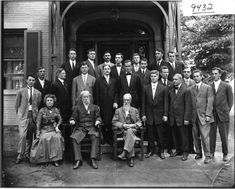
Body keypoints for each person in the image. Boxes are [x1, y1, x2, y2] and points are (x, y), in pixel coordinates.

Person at [69, 91, 102, 169]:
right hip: (81, 128)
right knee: (74, 138)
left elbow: (98, 117)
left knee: (95, 137)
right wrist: (72, 120)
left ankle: (93, 158)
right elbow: (73, 117)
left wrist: (98, 121)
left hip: (91, 128)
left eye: (87, 97)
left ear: (90, 98)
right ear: (81, 98)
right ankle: (78, 159)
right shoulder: (77, 107)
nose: (86, 98)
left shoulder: (95, 107)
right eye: (84, 97)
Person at [30, 94, 64, 166]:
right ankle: (45, 159)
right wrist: (38, 133)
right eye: (48, 100)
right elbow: (38, 123)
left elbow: (60, 119)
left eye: (51, 100)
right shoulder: (42, 110)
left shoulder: (56, 109)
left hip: (53, 128)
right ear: (45, 101)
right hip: (44, 129)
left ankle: (55, 159)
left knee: (57, 137)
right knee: (44, 138)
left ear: (53, 101)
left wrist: (57, 126)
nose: (49, 102)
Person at [15, 74, 41, 164]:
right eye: (29, 80)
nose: (31, 81)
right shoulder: (21, 91)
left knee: (30, 135)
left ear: (35, 81)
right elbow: (17, 105)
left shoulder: (38, 93)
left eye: (33, 80)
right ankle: (20, 154)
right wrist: (19, 115)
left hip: (33, 116)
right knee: (22, 135)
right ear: (26, 81)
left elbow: (38, 104)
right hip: (23, 116)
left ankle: (28, 153)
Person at [189, 69, 214, 164]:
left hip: (204, 116)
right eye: (194, 76)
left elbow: (210, 102)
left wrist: (208, 115)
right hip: (194, 116)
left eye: (197, 76)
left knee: (205, 137)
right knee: (195, 136)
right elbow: (190, 103)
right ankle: (198, 152)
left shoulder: (207, 88)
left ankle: (207, 155)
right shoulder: (191, 89)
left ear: (201, 76)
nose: (196, 78)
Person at [142, 70, 168, 159]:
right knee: (150, 134)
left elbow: (166, 102)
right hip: (149, 114)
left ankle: (161, 151)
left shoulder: (163, 88)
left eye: (155, 76)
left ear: (158, 77)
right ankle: (150, 150)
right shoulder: (145, 87)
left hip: (159, 114)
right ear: (150, 77)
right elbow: (143, 103)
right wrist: (143, 114)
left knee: (160, 134)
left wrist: (165, 114)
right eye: (152, 76)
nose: (153, 78)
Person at [112, 93, 142, 167]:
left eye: (127, 100)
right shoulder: (118, 110)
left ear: (130, 101)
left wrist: (133, 125)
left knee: (130, 131)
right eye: (124, 100)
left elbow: (140, 122)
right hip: (122, 131)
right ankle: (131, 158)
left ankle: (124, 152)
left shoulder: (135, 110)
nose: (126, 102)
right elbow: (114, 122)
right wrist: (122, 125)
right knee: (129, 132)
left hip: (133, 130)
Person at [210, 67, 233, 161]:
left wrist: (226, 110)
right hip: (212, 114)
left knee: (224, 135)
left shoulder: (226, 86)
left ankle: (225, 153)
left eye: (216, 73)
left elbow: (230, 101)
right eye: (213, 73)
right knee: (212, 135)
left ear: (220, 74)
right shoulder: (209, 85)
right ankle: (211, 153)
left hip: (223, 114)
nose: (214, 75)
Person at [168, 74, 191, 161]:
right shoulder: (171, 91)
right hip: (173, 118)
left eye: (176, 79)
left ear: (181, 80)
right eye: (173, 79)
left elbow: (188, 105)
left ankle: (185, 152)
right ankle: (178, 150)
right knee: (175, 135)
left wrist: (186, 118)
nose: (174, 81)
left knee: (183, 136)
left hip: (182, 118)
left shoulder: (186, 90)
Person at [50, 68, 72, 160]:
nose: (65, 75)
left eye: (65, 73)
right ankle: (58, 152)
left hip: (66, 110)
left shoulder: (65, 83)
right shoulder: (54, 84)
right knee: (59, 130)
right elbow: (52, 98)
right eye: (63, 73)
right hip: (59, 110)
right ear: (58, 74)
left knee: (66, 130)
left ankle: (66, 150)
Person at [94, 64, 118, 145]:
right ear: (103, 70)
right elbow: (96, 93)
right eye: (105, 69)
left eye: (108, 69)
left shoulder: (114, 80)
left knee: (111, 121)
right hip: (102, 104)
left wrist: (115, 101)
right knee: (104, 121)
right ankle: (104, 138)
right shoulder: (98, 80)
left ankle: (110, 138)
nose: (107, 70)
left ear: (110, 70)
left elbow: (116, 92)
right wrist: (97, 105)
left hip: (112, 105)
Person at [158, 66, 174, 155]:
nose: (166, 74)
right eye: (164, 72)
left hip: (169, 111)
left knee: (169, 130)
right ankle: (161, 149)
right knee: (160, 131)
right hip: (159, 111)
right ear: (160, 73)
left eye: (167, 72)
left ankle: (169, 148)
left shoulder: (171, 84)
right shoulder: (157, 83)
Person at [182, 66, 195, 154]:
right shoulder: (180, 81)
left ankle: (192, 148)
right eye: (185, 72)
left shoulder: (194, 82)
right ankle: (184, 149)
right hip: (182, 110)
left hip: (192, 110)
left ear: (190, 73)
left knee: (192, 131)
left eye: (188, 72)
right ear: (183, 73)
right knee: (183, 131)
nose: (186, 73)